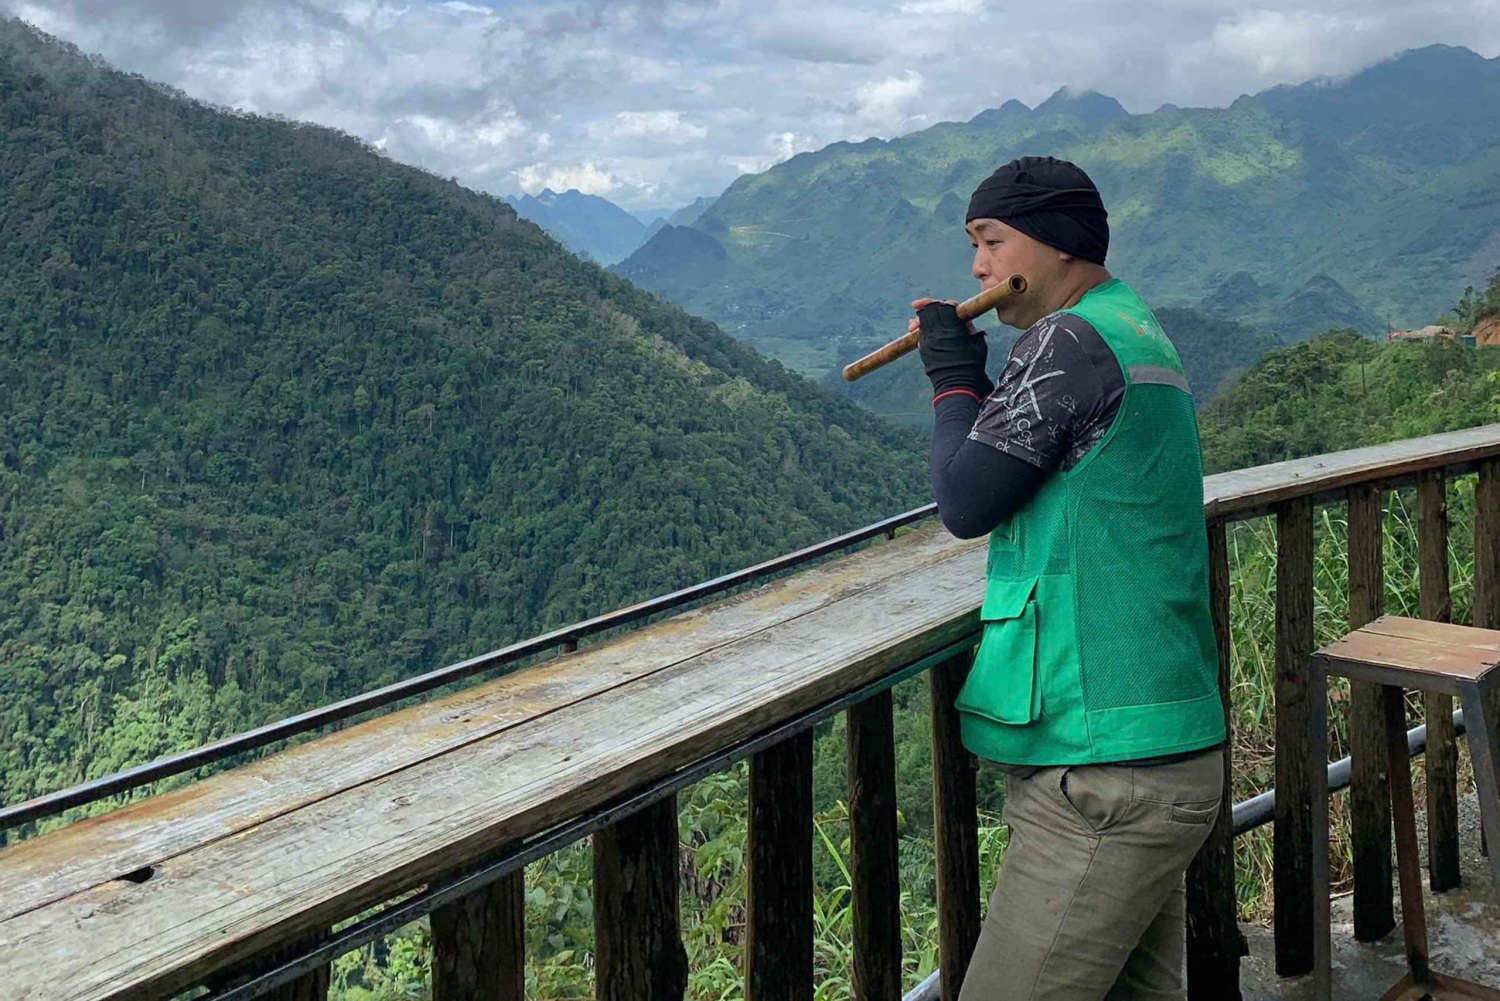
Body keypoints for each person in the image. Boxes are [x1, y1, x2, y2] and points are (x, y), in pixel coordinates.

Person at [912, 156, 1227, 1001]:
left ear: (1054, 240)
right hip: (1158, 742)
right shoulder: (1127, 326)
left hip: (1106, 774)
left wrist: (952, 382)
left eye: (990, 241)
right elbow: (1030, 457)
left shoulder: (1066, 340)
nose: (978, 267)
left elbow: (966, 498)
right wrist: (976, 383)